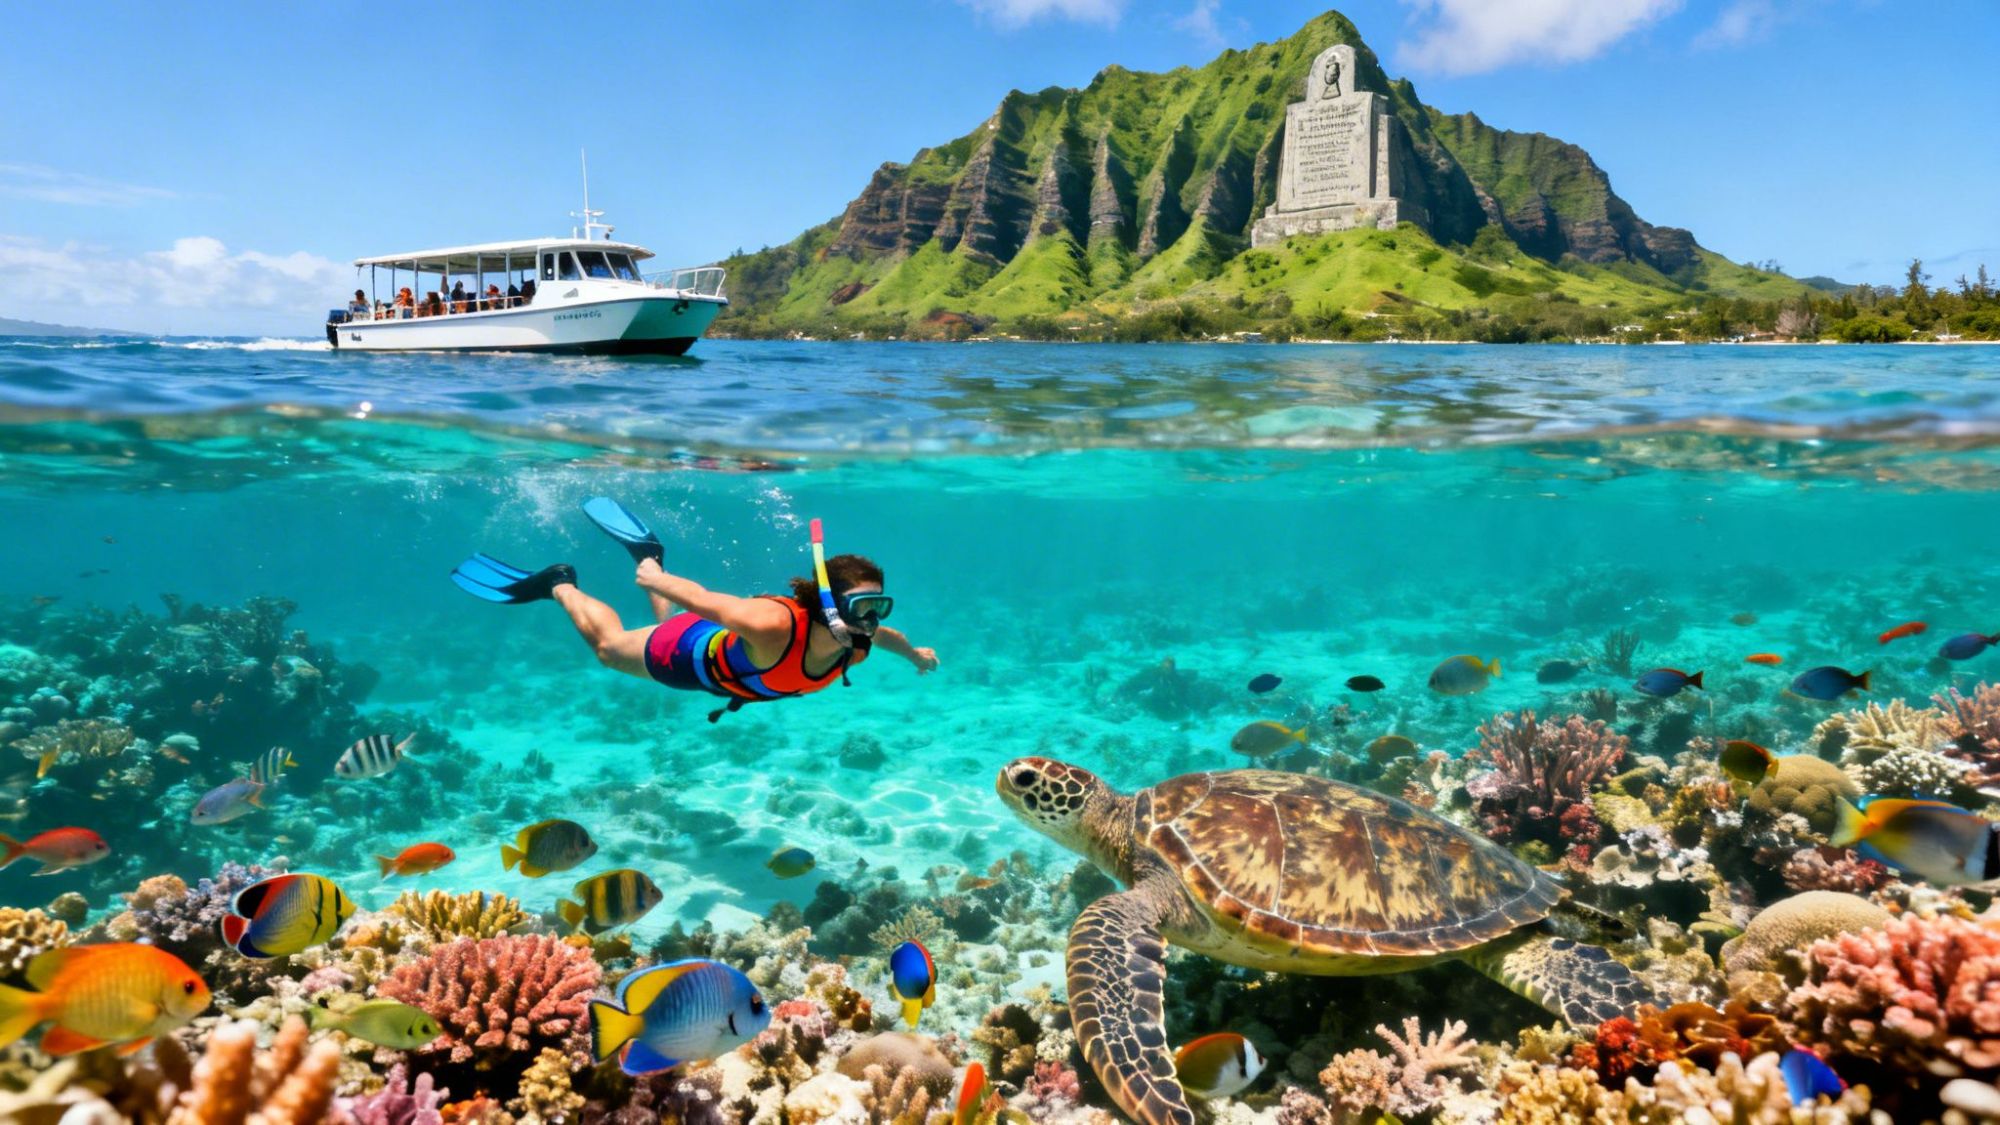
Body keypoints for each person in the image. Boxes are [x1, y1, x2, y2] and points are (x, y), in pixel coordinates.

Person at [450, 499, 938, 721]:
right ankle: (559, 584)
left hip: (722, 654)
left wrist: (915, 655)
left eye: (878, 606)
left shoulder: (855, 643)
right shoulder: (769, 625)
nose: (871, 620)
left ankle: (649, 551)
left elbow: (887, 639)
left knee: (671, 616)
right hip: (684, 657)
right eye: (863, 607)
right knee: (608, 649)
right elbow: (706, 600)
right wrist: (657, 581)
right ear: (829, 602)